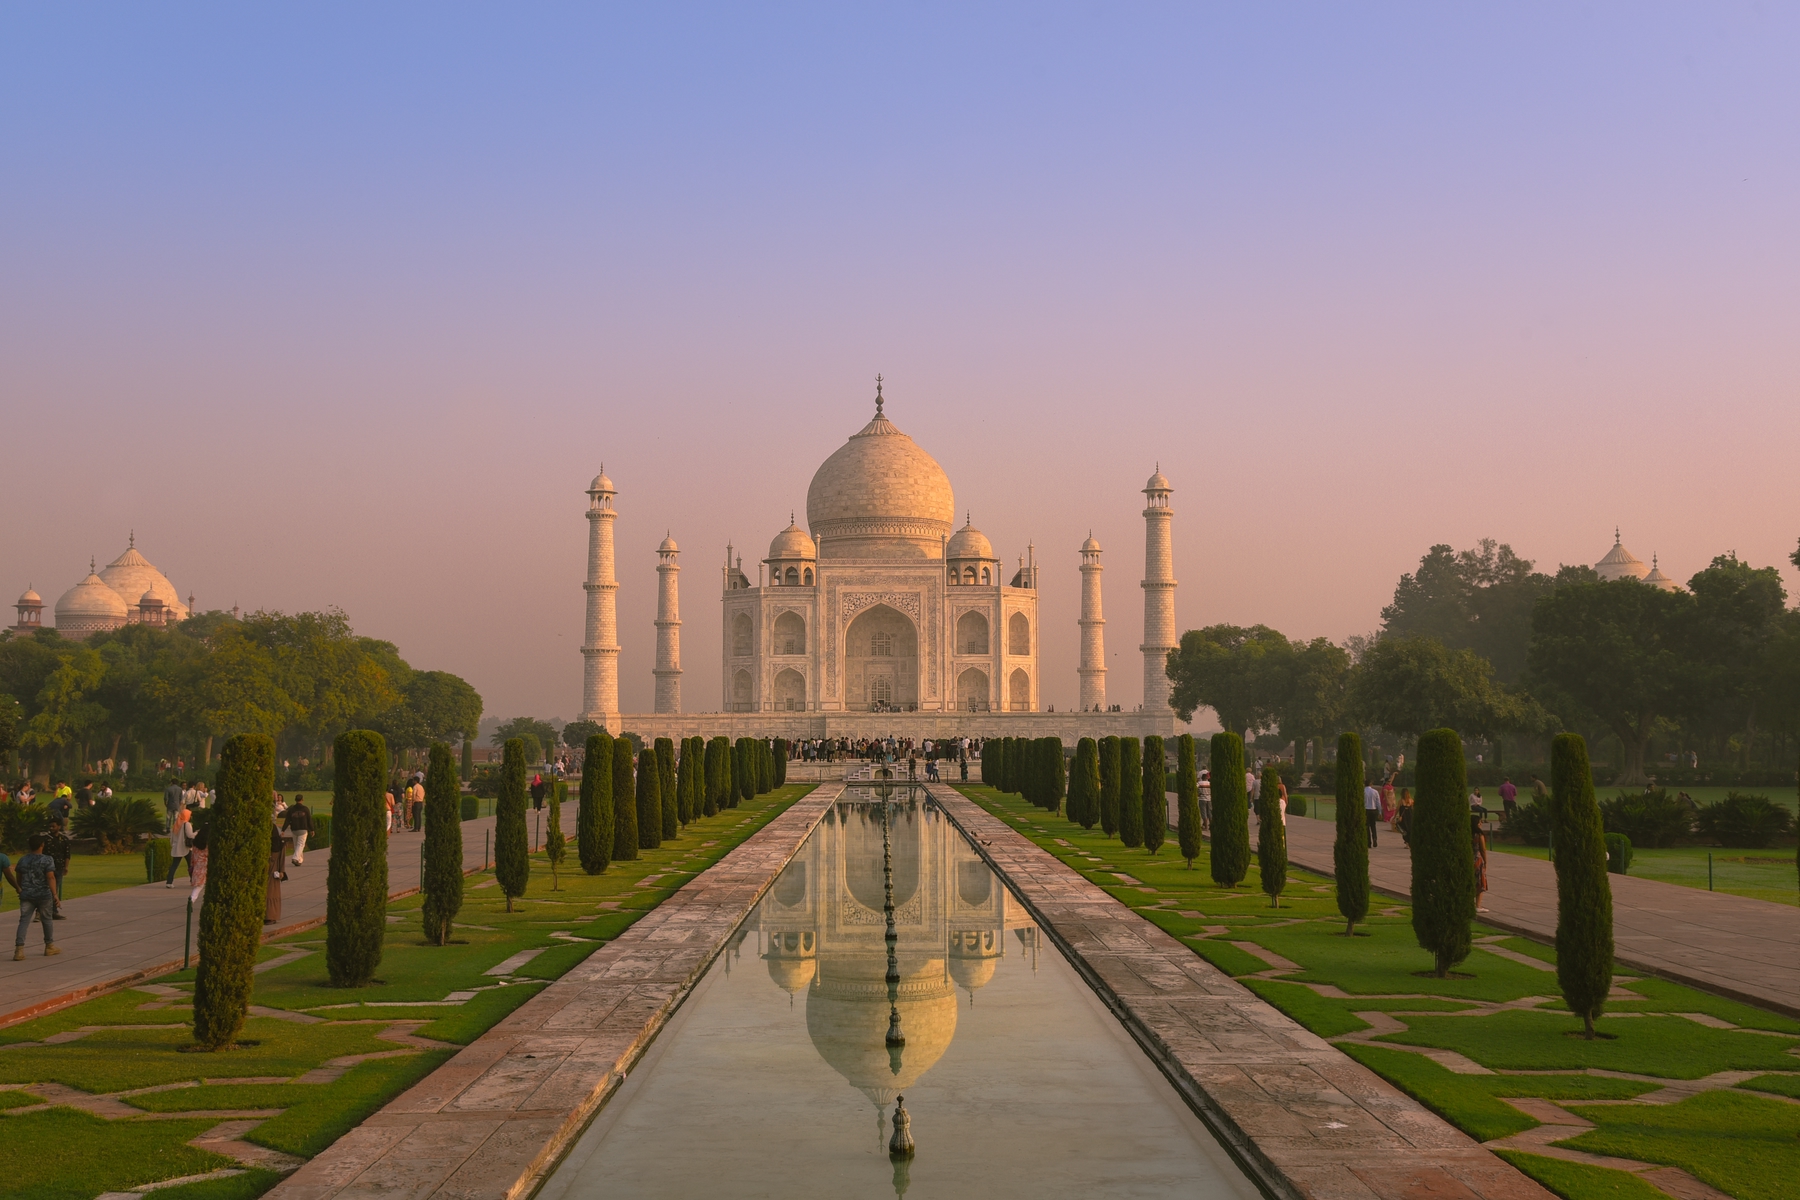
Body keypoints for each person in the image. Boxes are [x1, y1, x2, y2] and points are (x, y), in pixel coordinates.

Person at [13, 835, 60, 959]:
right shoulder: (47, 859)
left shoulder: (23, 859)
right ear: (42, 845)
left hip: (27, 894)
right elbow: (50, 877)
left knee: (24, 921)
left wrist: (21, 888)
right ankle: (49, 946)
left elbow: (19, 875)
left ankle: (19, 950)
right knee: (47, 920)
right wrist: (55, 894)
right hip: (43, 894)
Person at [44, 818, 73, 918]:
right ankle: (41, 911)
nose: (51, 828)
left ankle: (54, 911)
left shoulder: (64, 839)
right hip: (47, 868)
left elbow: (67, 854)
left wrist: (66, 867)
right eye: (50, 826)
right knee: (47, 889)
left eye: (53, 826)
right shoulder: (45, 839)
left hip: (59, 868)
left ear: (59, 827)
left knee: (55, 890)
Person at [166, 806, 193, 886]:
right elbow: (190, 835)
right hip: (185, 848)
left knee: (174, 865)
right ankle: (193, 880)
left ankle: (169, 882)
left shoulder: (176, 824)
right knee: (191, 865)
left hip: (177, 848)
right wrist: (197, 833)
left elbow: (172, 837)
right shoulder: (187, 824)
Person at [266, 821, 286, 925]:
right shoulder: (264, 844)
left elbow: (282, 859)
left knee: (271, 894)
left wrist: (281, 871)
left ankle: (271, 916)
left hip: (273, 873)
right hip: (267, 872)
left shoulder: (279, 845)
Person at [283, 795, 313, 866]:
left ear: (295, 800)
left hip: (294, 829)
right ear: (302, 800)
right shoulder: (305, 809)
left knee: (296, 845)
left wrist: (283, 830)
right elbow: (309, 820)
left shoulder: (291, 810)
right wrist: (312, 829)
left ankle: (299, 860)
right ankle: (295, 858)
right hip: (303, 829)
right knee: (301, 845)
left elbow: (287, 820)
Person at [1471, 813, 1490, 913]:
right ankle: (1478, 905)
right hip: (1477, 859)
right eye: (1480, 822)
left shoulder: (1468, 834)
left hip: (1469, 859)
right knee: (1480, 882)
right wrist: (1485, 861)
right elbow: (1483, 849)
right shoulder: (1479, 835)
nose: (1481, 823)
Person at [1363, 779, 1381, 848]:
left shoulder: (1363, 791)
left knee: (1366, 826)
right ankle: (1375, 838)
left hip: (1366, 810)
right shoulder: (1375, 791)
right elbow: (1378, 802)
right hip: (1373, 810)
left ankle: (1368, 842)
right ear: (1371, 784)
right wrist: (1380, 812)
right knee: (1373, 825)